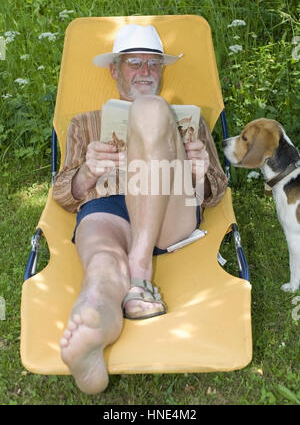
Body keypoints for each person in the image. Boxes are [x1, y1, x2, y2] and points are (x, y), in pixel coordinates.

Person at [52, 24, 228, 394]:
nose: (146, 71)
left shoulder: (189, 121)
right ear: (114, 70)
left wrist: (199, 176)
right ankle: (93, 326)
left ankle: (139, 266)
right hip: (107, 209)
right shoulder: (85, 123)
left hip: (169, 208)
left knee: (151, 108)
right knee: (101, 266)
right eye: (135, 63)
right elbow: (63, 195)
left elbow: (214, 193)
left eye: (154, 64)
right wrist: (87, 171)